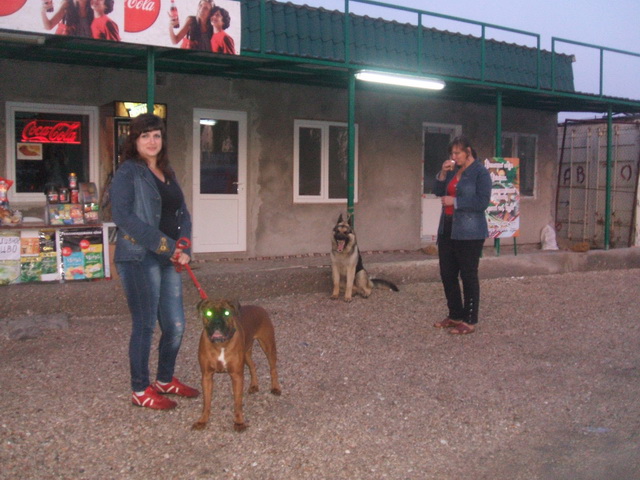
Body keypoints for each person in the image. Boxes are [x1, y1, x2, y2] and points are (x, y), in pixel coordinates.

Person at [110, 114, 199, 410]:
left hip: (168, 257)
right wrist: (168, 246)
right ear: (134, 140)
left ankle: (164, 379)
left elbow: (182, 212)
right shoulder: (128, 172)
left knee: (176, 325)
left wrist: (184, 244)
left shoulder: (167, 171)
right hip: (138, 257)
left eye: (157, 135)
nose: (152, 141)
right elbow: (123, 217)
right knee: (145, 325)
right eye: (145, 135)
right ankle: (140, 389)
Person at [433, 136, 491, 335]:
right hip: (447, 228)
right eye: (452, 153)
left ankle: (469, 320)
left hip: (470, 232)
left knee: (468, 274)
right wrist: (442, 173)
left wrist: (455, 202)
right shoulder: (452, 171)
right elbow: (437, 191)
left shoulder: (480, 172)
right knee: (447, 273)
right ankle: (455, 314)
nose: (454, 156)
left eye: (457, 153)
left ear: (468, 151)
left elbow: (482, 202)